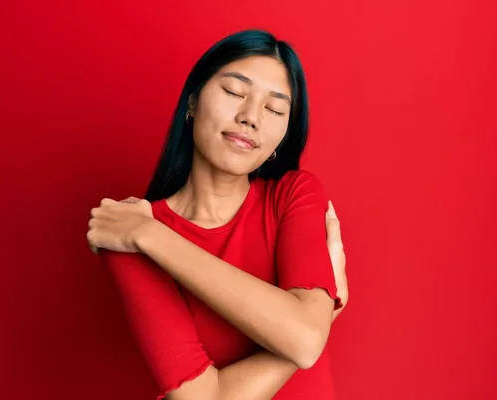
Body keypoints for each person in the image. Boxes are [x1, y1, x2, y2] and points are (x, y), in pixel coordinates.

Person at [86, 29, 348, 399]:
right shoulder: (126, 236)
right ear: (192, 100)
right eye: (234, 92)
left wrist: (153, 238)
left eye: (274, 109)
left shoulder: (293, 194)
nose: (250, 117)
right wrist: (318, 321)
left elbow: (304, 341)